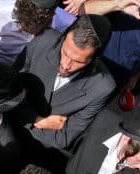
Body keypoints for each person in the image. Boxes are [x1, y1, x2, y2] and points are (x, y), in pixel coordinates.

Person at [11, 14, 116, 161]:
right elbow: (7, 89)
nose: (66, 65)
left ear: (94, 60)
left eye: (78, 61)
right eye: (65, 53)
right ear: (63, 37)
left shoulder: (102, 87)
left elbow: (63, 139)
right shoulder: (43, 40)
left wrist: (19, 109)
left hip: (37, 152)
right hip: (5, 125)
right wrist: (38, 120)